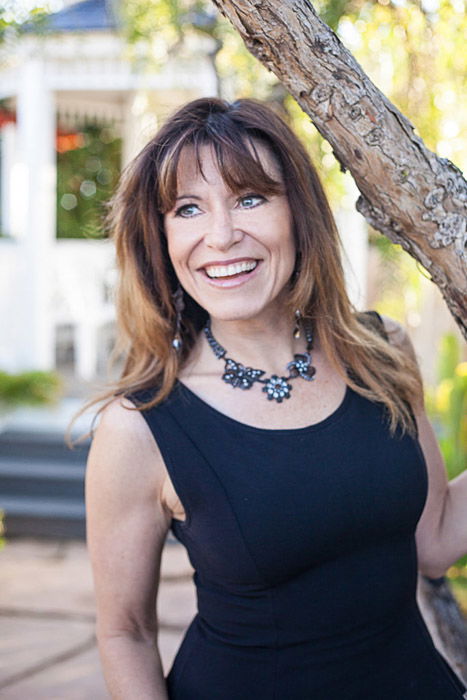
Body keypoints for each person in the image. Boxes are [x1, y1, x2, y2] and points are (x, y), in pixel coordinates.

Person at [83, 97, 467, 699]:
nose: (221, 235)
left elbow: (436, 542)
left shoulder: (383, 350)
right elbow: (125, 633)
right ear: (160, 238)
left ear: (299, 213)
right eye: (188, 208)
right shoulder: (140, 427)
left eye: (250, 198)